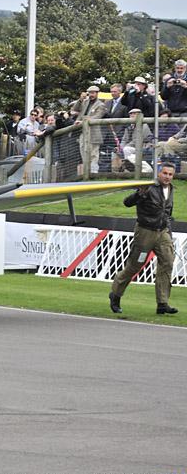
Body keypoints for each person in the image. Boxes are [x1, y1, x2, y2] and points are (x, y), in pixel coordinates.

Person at [109, 163, 178, 315]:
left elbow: (167, 215)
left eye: (170, 174)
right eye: (165, 173)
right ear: (159, 174)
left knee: (167, 262)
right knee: (135, 266)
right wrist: (138, 194)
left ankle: (162, 303)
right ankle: (116, 295)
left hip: (163, 232)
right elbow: (127, 202)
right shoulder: (148, 188)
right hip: (145, 232)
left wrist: (170, 236)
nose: (167, 177)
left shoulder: (171, 189)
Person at [70, 85, 106, 173]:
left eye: (93, 93)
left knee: (93, 153)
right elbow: (75, 108)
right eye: (90, 93)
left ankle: (93, 172)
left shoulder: (101, 105)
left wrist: (82, 122)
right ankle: (86, 171)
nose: (91, 95)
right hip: (82, 131)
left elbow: (97, 117)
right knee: (83, 149)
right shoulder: (85, 102)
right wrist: (80, 99)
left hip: (93, 132)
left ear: (97, 94)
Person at [119, 109, 153, 173]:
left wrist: (124, 148)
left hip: (142, 147)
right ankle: (117, 171)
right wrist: (121, 148)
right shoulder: (129, 126)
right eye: (131, 114)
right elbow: (124, 139)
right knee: (115, 152)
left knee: (126, 149)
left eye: (135, 114)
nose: (133, 115)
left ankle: (131, 169)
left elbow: (137, 140)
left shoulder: (144, 125)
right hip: (131, 147)